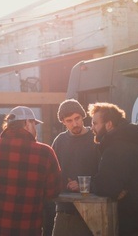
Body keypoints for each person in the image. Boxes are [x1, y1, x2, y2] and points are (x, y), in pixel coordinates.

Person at [0, 106, 62, 235]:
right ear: (27, 123)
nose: (36, 129)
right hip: (27, 230)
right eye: (34, 124)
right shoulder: (45, 153)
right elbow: (53, 191)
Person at [88, 102, 138, 235]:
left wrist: (91, 185)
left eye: (95, 123)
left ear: (108, 125)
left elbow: (105, 187)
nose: (92, 127)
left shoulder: (116, 148)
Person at [50, 99, 100, 236]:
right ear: (63, 122)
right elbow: (52, 172)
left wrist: (83, 185)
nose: (75, 123)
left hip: (94, 208)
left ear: (83, 116)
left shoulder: (96, 138)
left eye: (77, 118)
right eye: (69, 120)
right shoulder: (59, 141)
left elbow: (106, 172)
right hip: (65, 209)